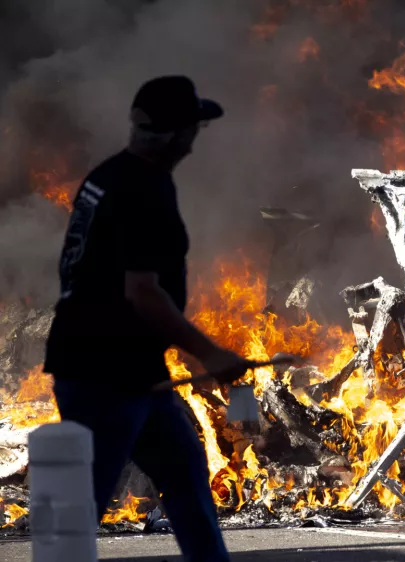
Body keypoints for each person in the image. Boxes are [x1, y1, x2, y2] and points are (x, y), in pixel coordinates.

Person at [43, 76, 251, 562]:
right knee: (79, 513)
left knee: (184, 471)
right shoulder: (143, 189)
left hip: (132, 372)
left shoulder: (107, 175)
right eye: (194, 128)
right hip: (105, 374)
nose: (196, 139)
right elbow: (142, 293)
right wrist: (211, 353)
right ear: (179, 136)